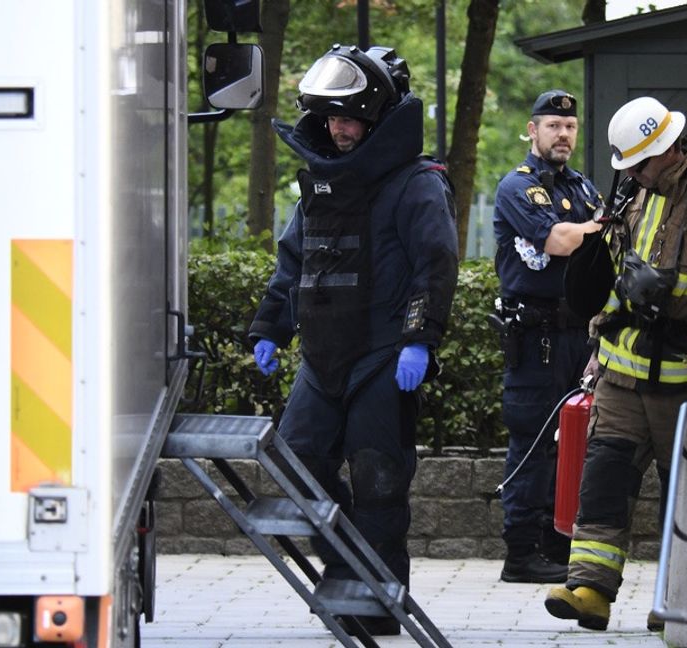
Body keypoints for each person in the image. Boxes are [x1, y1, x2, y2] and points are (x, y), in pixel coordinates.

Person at [247, 43, 459, 637]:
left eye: (351, 118)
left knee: (378, 483)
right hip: (322, 359)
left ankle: (382, 606)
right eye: (332, 118)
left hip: (383, 359)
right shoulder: (320, 182)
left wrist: (420, 339)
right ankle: (349, 570)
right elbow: (295, 260)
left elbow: (435, 263)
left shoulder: (417, 183)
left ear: (377, 119)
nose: (339, 129)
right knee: (295, 467)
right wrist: (271, 326)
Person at [544, 96, 687, 631]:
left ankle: (677, 603)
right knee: (603, 481)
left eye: (638, 164)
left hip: (686, 383)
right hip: (622, 375)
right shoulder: (633, 198)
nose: (633, 175)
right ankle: (589, 591)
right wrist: (599, 346)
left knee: (686, 499)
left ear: (665, 152)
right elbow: (611, 278)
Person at [491, 90, 604, 584]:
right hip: (535, 335)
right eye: (553, 126)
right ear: (532, 131)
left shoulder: (581, 188)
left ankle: (557, 544)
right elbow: (558, 239)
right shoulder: (519, 188)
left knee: (574, 442)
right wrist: (603, 229)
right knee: (532, 441)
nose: (563, 134)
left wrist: (597, 227)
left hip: (578, 335)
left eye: (570, 127)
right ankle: (520, 553)